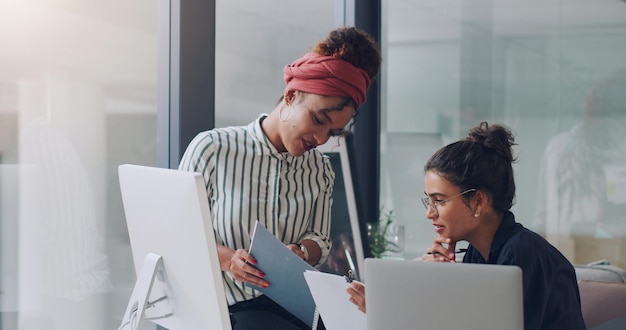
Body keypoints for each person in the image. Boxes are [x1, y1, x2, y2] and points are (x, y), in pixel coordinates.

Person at [178, 26, 381, 330]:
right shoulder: (212, 149)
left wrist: (301, 251)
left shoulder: (320, 170)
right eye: (318, 120)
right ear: (291, 95)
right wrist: (228, 259)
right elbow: (178, 233)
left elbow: (320, 240)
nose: (321, 138)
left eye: (333, 132)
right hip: (228, 312)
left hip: (296, 312)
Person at [347, 122, 586, 330]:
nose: (429, 213)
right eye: (428, 201)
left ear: (478, 201)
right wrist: (436, 283)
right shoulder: (478, 255)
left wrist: (396, 311)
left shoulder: (521, 254)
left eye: (439, 200)